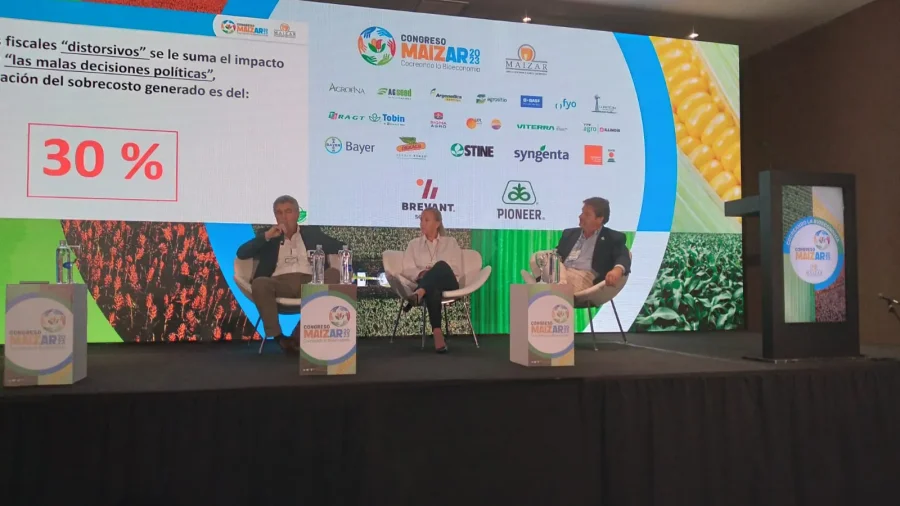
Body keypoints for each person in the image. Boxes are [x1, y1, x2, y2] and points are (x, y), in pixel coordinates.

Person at [237, 195, 343, 353]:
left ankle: (300, 332)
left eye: (288, 211)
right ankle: (279, 338)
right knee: (260, 283)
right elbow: (241, 253)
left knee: (333, 273)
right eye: (279, 212)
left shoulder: (312, 233)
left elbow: (340, 246)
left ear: (297, 214)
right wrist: (266, 237)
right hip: (279, 283)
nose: (284, 217)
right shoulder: (267, 235)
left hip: (311, 283)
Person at [536, 197, 631, 292]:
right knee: (541, 258)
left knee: (541, 291)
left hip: (584, 276)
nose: (581, 217)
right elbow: (558, 253)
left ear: (599, 219)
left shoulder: (612, 237)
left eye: (587, 214)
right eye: (582, 212)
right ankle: (557, 284)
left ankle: (551, 287)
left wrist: (617, 270)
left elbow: (622, 256)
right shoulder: (569, 233)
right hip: (561, 271)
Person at [401, 208, 462, 353]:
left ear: (437, 223)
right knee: (433, 289)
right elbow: (407, 269)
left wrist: (435, 271)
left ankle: (419, 292)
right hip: (429, 286)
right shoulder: (413, 244)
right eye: (421, 219)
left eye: (426, 220)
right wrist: (422, 273)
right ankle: (437, 334)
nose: (422, 223)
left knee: (441, 265)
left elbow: (457, 269)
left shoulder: (451, 242)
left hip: (449, 283)